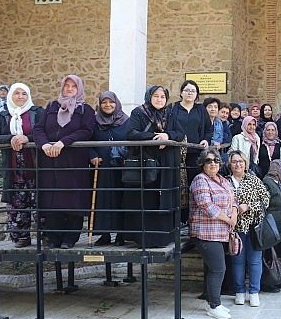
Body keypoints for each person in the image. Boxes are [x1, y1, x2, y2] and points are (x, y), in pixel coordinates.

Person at [33, 75, 95, 249]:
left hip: (73, 162)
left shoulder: (86, 110)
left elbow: (86, 131)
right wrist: (44, 144)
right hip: (50, 161)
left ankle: (70, 238)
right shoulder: (52, 106)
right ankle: (53, 238)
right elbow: (39, 128)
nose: (69, 89)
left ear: (79, 89)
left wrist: (62, 142)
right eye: (66, 86)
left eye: (73, 87)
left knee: (73, 200)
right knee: (53, 199)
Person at [122, 85, 184, 247]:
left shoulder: (170, 113)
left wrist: (167, 136)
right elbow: (131, 133)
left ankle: (163, 238)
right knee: (146, 199)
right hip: (146, 161)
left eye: (162, 97)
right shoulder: (139, 112)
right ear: (149, 97)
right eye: (156, 96)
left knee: (163, 198)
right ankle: (143, 239)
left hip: (165, 163)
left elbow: (180, 133)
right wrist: (155, 137)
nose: (159, 99)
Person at [0, 83, 45, 247]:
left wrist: (27, 138)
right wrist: (11, 138)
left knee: (41, 201)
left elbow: (45, 133)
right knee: (18, 203)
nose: (20, 97)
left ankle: (46, 236)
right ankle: (22, 237)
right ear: (11, 96)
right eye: (17, 93)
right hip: (14, 169)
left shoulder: (37, 113)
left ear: (28, 96)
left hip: (36, 167)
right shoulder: (4, 116)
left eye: (24, 94)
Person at [189, 148, 237, 319]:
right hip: (205, 233)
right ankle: (214, 306)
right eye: (209, 161)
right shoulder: (200, 180)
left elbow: (234, 198)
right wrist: (228, 219)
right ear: (202, 163)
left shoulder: (223, 180)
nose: (213, 164)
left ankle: (214, 301)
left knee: (213, 268)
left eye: (216, 160)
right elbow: (207, 206)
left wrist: (234, 214)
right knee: (218, 268)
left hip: (221, 232)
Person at [226, 150, 269, 308]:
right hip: (234, 229)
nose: (238, 164)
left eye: (241, 161)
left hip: (253, 227)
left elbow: (265, 201)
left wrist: (248, 206)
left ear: (245, 163)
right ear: (230, 165)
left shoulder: (254, 180)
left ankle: (254, 292)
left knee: (255, 261)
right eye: (234, 161)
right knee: (237, 261)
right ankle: (239, 292)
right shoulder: (225, 182)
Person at [89, 91, 130, 246]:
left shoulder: (126, 121)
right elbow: (88, 141)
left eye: (111, 102)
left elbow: (131, 138)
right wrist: (92, 155)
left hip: (121, 167)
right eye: (104, 102)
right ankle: (104, 234)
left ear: (116, 103)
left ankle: (121, 234)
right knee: (103, 200)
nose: (108, 105)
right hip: (102, 166)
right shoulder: (94, 122)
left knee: (122, 199)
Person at [170, 80, 213, 223]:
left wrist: (206, 140)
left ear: (197, 95)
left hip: (195, 154)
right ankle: (177, 220)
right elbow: (168, 128)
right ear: (181, 92)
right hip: (177, 153)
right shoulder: (173, 108)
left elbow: (208, 129)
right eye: (187, 90)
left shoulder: (200, 110)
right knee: (177, 186)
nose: (189, 93)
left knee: (193, 186)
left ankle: (191, 218)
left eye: (193, 91)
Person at [261, 159, 281, 292]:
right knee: (270, 255)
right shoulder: (267, 183)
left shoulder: (279, 183)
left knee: (280, 254)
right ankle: (268, 283)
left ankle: (279, 279)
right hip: (272, 226)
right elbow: (264, 204)